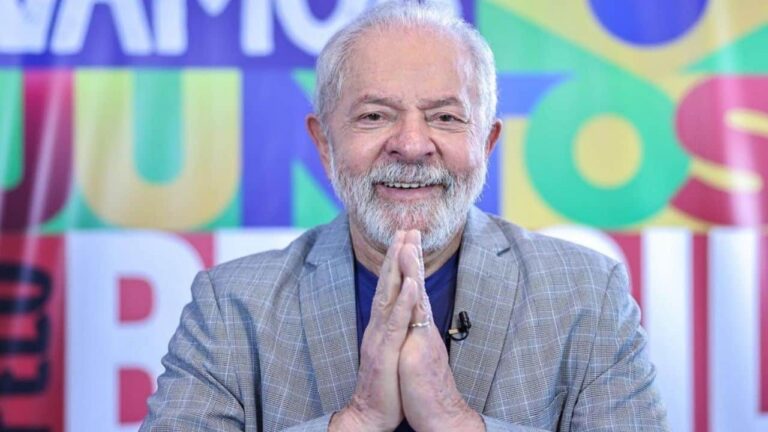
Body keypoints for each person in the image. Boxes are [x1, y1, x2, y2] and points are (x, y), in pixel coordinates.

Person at [141, 1, 668, 431]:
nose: (412, 145)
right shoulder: (232, 307)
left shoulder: (586, 294)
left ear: (486, 143)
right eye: (375, 116)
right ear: (324, 144)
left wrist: (455, 421)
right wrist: (357, 421)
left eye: (445, 117)